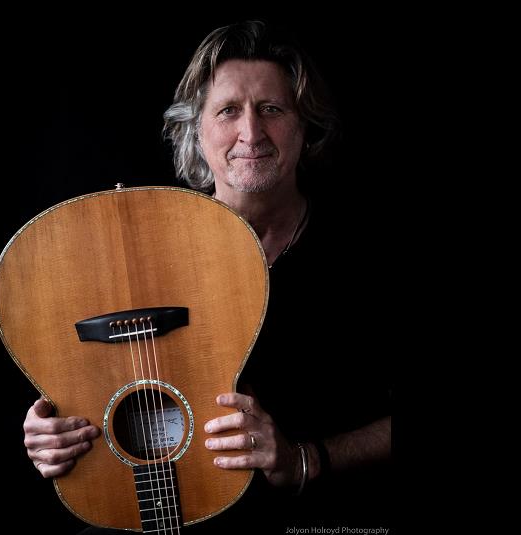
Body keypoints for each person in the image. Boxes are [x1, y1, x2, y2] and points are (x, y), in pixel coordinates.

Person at [23, 21, 392, 532]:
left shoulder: (370, 253)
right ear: (195, 130)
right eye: (228, 111)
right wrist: (56, 426)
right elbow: (105, 377)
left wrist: (306, 461)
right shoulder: (138, 255)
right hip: (175, 513)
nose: (251, 133)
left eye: (271, 109)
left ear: (305, 127)